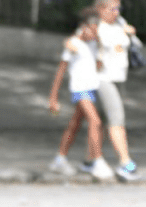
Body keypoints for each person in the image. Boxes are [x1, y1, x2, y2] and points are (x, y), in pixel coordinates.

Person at [47, 9, 115, 181]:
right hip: (79, 89)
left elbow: (99, 66)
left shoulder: (93, 45)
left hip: (90, 89)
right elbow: (60, 72)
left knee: (75, 124)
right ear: (83, 27)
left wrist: (99, 45)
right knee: (95, 121)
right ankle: (97, 161)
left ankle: (59, 159)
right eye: (91, 29)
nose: (94, 32)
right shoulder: (73, 44)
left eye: (96, 29)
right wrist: (53, 98)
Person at [94, 0, 139, 181]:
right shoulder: (97, 27)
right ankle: (125, 162)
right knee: (116, 119)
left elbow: (135, 46)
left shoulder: (120, 22)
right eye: (112, 8)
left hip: (119, 78)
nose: (116, 12)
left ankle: (92, 159)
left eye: (118, 8)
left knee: (99, 121)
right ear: (100, 9)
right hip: (103, 79)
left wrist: (131, 33)